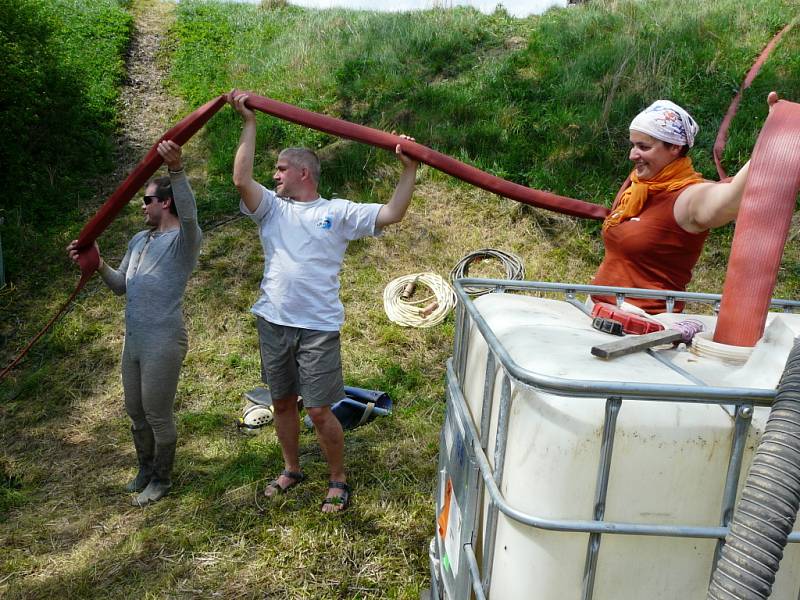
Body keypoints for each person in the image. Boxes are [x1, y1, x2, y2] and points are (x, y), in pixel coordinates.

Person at [228, 91, 419, 513]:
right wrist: (249, 123)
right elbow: (242, 180)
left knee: (317, 408)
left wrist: (409, 170)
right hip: (274, 321)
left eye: (280, 169)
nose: (274, 176)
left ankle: (337, 478)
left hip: (317, 326)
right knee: (281, 402)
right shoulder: (271, 210)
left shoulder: (337, 211)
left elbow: (391, 214)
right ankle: (292, 468)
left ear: (303, 172)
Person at [67, 140, 202, 506]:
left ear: (165, 202)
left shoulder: (183, 241)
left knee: (158, 415)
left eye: (147, 200)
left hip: (163, 339)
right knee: (136, 413)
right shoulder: (139, 240)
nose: (142, 206)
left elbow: (189, 216)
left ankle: (162, 480)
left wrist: (177, 170)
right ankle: (144, 469)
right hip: (135, 340)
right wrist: (95, 262)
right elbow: (119, 287)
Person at [591, 92, 779, 313]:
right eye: (633, 145)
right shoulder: (641, 186)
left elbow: (731, 199)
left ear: (674, 148)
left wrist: (774, 135)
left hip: (644, 327)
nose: (633, 155)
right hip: (597, 310)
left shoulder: (690, 198)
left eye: (644, 147)